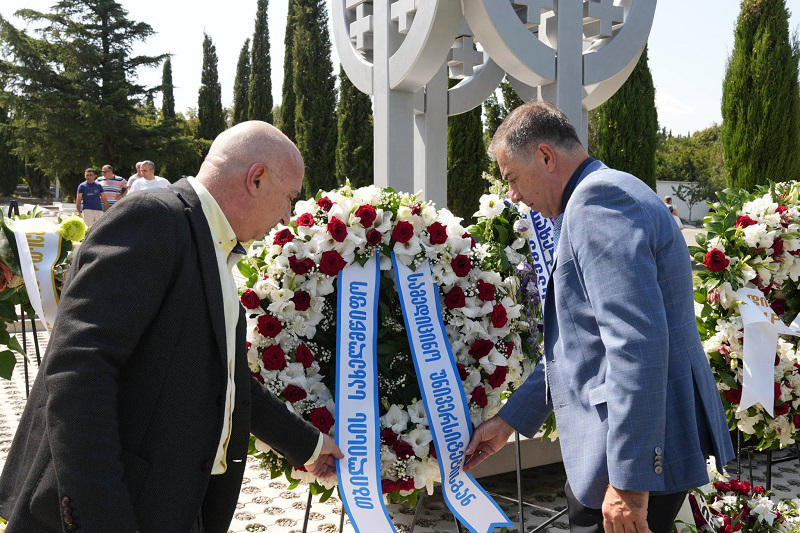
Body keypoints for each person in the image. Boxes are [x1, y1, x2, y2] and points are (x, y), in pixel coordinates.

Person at [0, 121, 343, 533]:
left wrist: (305, 443)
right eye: (289, 197)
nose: (287, 214)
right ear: (256, 178)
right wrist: (104, 520)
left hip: (172, 502)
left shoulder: (212, 241)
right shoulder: (153, 220)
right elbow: (78, 372)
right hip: (117, 508)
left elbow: (226, 377)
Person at [463, 102, 733, 533]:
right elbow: (581, 344)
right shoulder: (612, 189)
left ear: (546, 157)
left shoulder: (596, 202)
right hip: (634, 447)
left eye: (512, 178)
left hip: (627, 458)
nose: (512, 194)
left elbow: (635, 343)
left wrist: (629, 483)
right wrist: (510, 420)